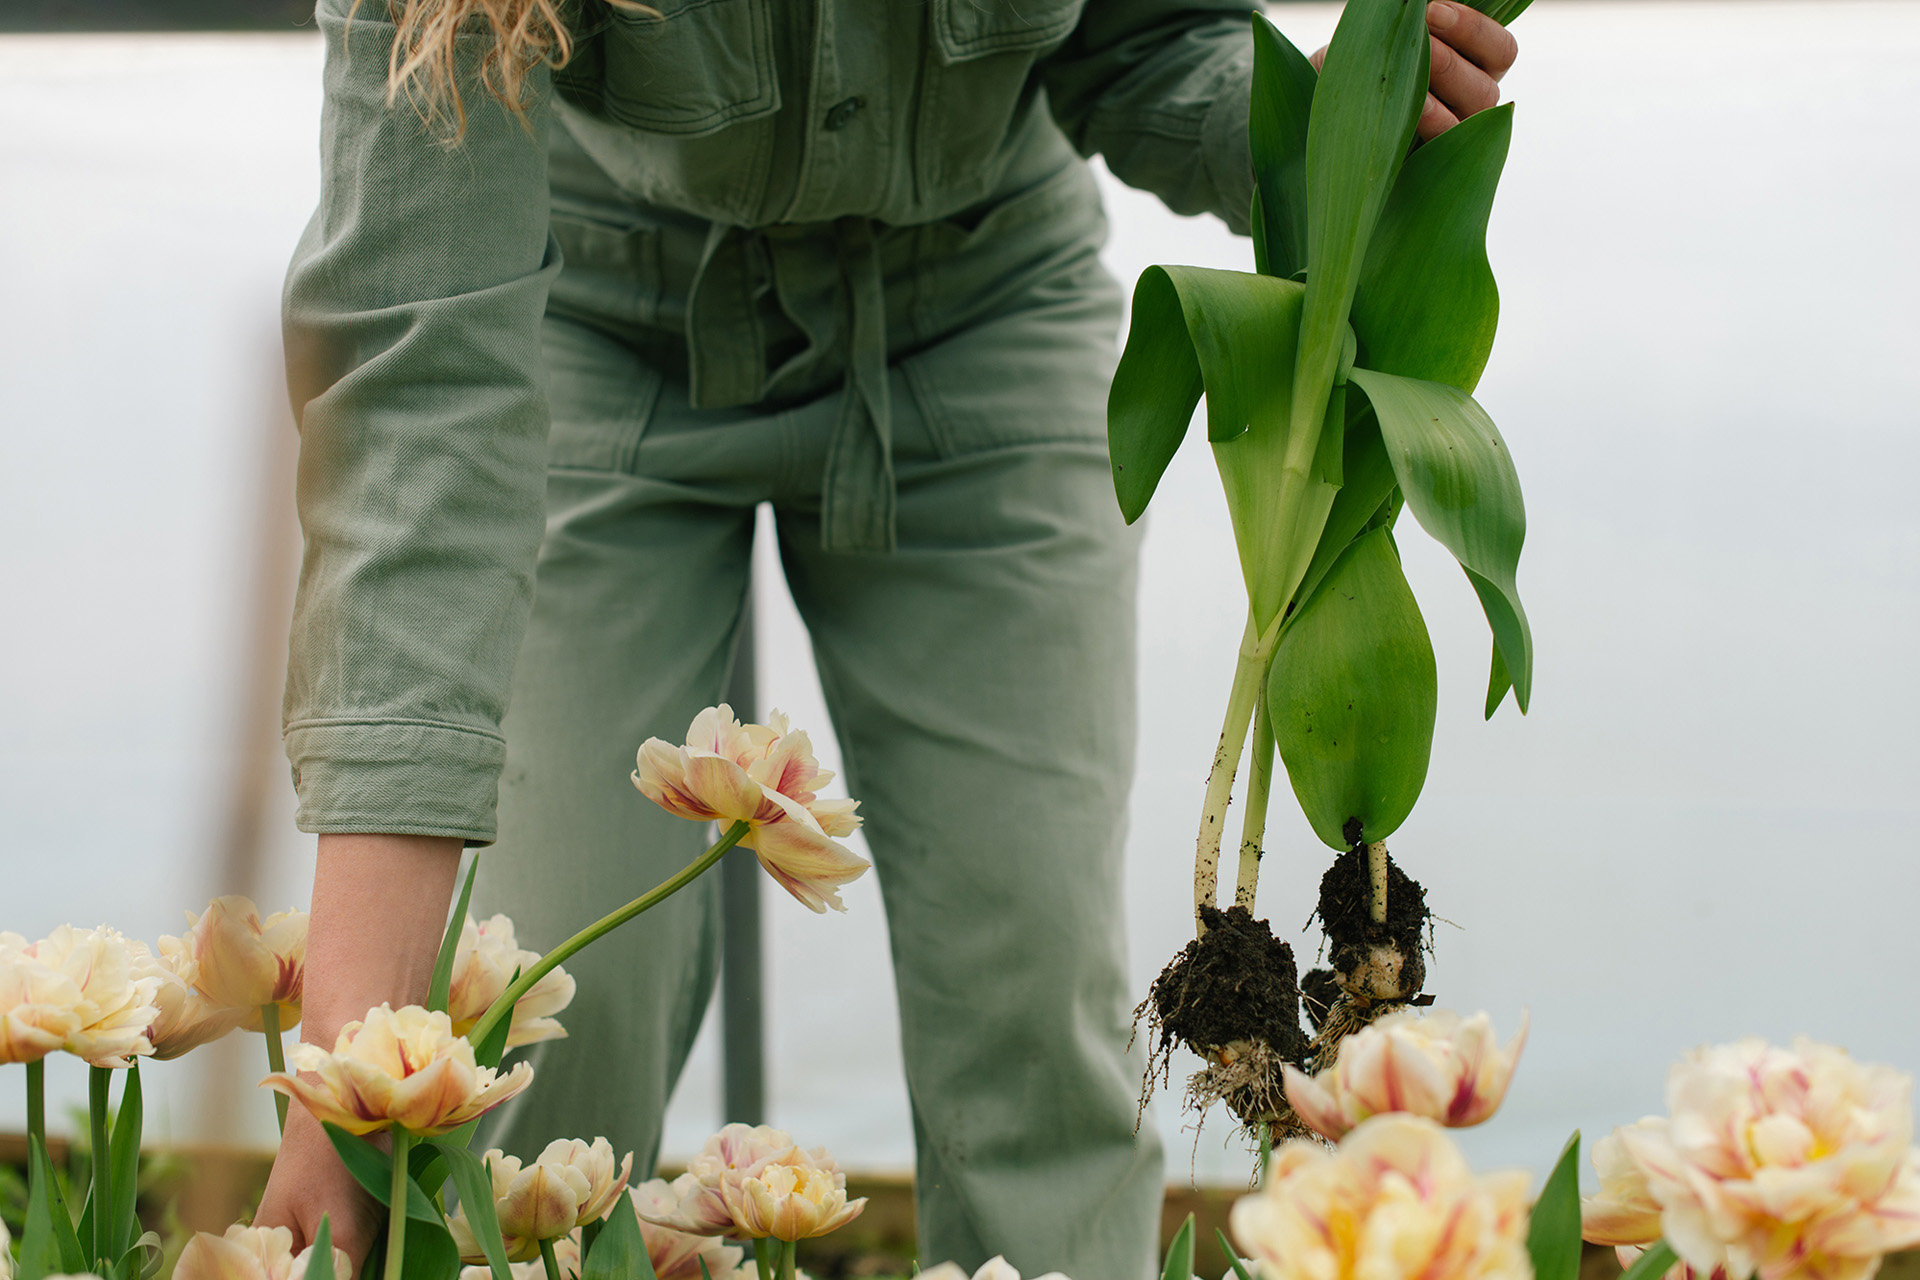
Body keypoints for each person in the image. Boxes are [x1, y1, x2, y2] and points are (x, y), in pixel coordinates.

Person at [255, 0, 1519, 1275]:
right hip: (587, 320)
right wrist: (357, 1068)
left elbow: (1134, 40)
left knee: (1030, 1019)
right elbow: (423, 402)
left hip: (977, 309)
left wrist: (1318, 122)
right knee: (541, 1033)